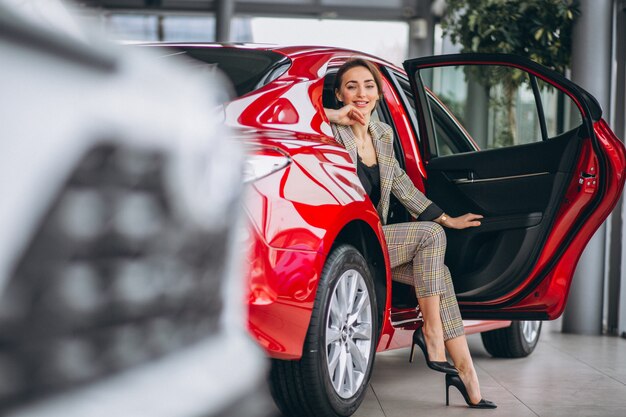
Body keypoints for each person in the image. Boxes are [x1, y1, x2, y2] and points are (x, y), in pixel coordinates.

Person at [324, 58, 496, 409]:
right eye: (352, 86)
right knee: (430, 237)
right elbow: (297, 122)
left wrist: (447, 217)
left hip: (378, 243)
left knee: (440, 272)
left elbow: (401, 185)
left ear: (378, 92)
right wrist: (333, 116)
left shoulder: (383, 134)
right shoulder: (330, 131)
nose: (361, 93)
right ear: (339, 93)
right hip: (350, 245)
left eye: (369, 85)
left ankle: (467, 376)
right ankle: (431, 335)